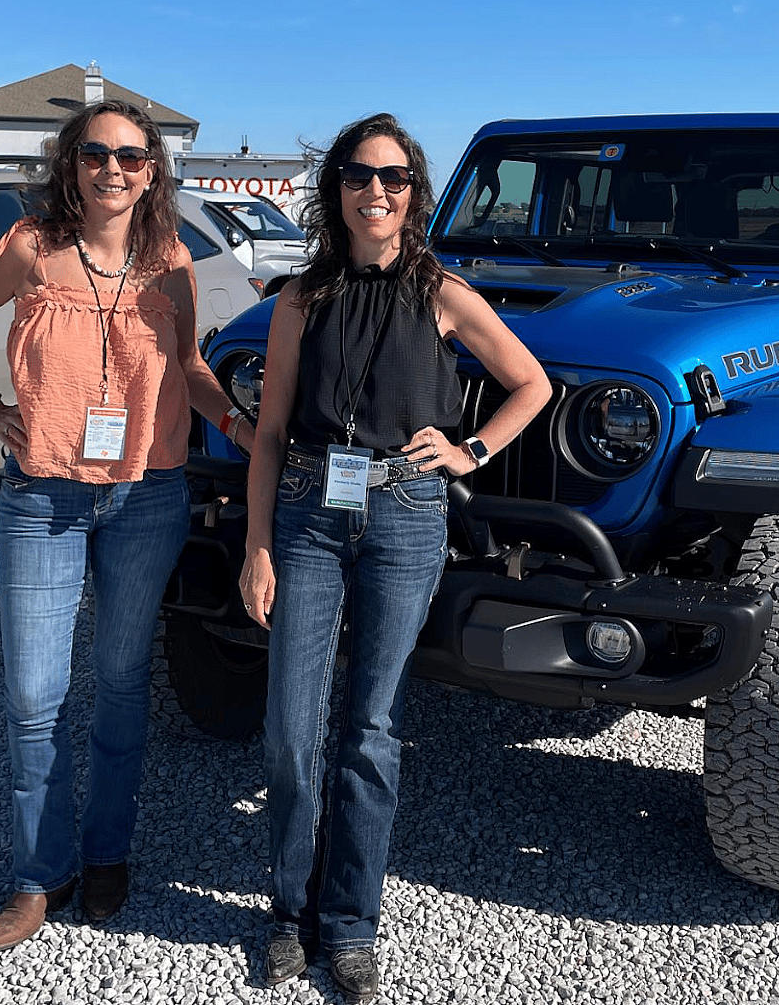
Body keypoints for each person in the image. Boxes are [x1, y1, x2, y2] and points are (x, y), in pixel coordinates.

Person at [0, 100, 252, 954]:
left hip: (147, 494)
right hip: (42, 496)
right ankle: (41, 875)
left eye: (133, 158)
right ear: (71, 163)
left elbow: (188, 368)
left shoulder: (171, 261)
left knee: (119, 682)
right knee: (35, 697)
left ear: (154, 171)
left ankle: (108, 852)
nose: (115, 170)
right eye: (97, 154)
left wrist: (253, 432)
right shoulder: (30, 248)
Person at [240, 113, 549, 1002]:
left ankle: (349, 926)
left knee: (371, 730)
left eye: (395, 178)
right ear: (334, 189)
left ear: (413, 193)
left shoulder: (444, 293)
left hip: (408, 514)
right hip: (305, 510)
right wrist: (256, 547)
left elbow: (531, 382)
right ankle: (286, 912)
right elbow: (267, 433)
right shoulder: (300, 298)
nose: (376, 191)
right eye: (358, 175)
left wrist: (471, 451)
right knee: (291, 733)